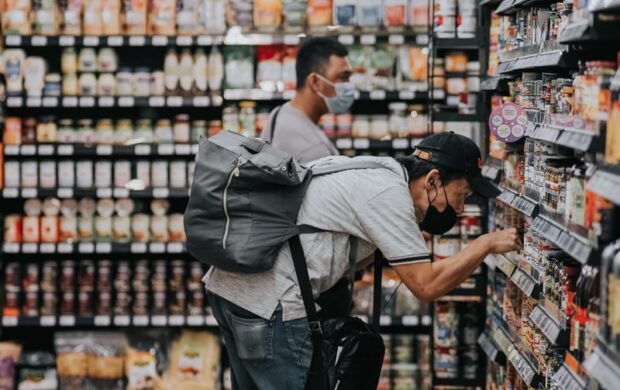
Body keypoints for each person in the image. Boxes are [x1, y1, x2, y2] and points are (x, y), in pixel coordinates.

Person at [204, 131, 520, 390]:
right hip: (270, 307)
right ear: (433, 180)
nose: (461, 209)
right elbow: (426, 285)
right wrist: (485, 244)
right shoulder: (389, 195)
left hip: (232, 292)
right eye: (462, 195)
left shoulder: (373, 171)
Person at [262, 37, 354, 164]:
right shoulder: (314, 152)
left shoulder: (279, 113)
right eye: (343, 77)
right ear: (315, 82)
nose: (349, 85)